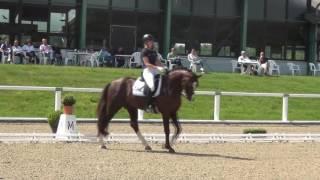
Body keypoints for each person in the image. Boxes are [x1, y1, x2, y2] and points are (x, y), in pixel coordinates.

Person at [141, 34, 166, 113]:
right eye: (150, 41)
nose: (152, 42)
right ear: (146, 42)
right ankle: (147, 105)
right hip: (147, 70)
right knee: (152, 86)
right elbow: (147, 64)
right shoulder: (144, 51)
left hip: (155, 70)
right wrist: (157, 67)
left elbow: (157, 61)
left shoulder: (154, 51)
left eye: (152, 41)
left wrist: (163, 67)